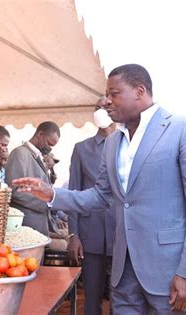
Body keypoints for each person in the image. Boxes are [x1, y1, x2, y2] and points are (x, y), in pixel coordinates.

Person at [13, 64, 186, 314]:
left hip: (169, 272)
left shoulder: (183, 129)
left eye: (114, 93)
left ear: (140, 91)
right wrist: (53, 194)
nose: (108, 102)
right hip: (124, 272)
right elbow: (100, 195)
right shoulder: (112, 143)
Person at [67, 96, 116, 315]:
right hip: (90, 233)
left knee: (122, 297)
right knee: (92, 298)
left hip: (121, 234)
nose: (102, 110)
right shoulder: (81, 149)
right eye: (97, 107)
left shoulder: (128, 144)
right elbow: (73, 192)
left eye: (106, 106)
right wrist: (73, 235)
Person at [5, 121, 60, 236]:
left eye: (52, 146)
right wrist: (46, 202)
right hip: (27, 226)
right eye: (49, 143)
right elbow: (15, 190)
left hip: (37, 227)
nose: (49, 149)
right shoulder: (20, 153)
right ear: (40, 134)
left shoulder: (36, 155)